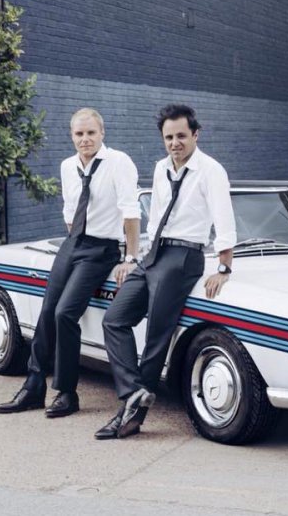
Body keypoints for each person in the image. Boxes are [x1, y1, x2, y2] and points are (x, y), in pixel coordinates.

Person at [95, 104, 237, 440]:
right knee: (114, 319)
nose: (175, 143)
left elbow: (223, 219)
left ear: (196, 134)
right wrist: (139, 256)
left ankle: (130, 417)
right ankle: (133, 392)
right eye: (169, 137)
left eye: (181, 136)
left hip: (184, 256)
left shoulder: (211, 170)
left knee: (157, 335)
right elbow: (156, 216)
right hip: (155, 253)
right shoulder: (161, 168)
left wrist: (223, 267)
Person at [0, 108, 141, 418]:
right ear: (72, 136)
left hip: (102, 249)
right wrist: (74, 240)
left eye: (91, 133)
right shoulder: (67, 166)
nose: (85, 139)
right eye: (79, 134)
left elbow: (131, 213)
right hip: (73, 243)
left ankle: (66, 392)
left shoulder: (119, 162)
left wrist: (130, 258)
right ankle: (33, 387)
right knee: (47, 311)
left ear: (102, 133)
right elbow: (69, 211)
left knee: (65, 313)